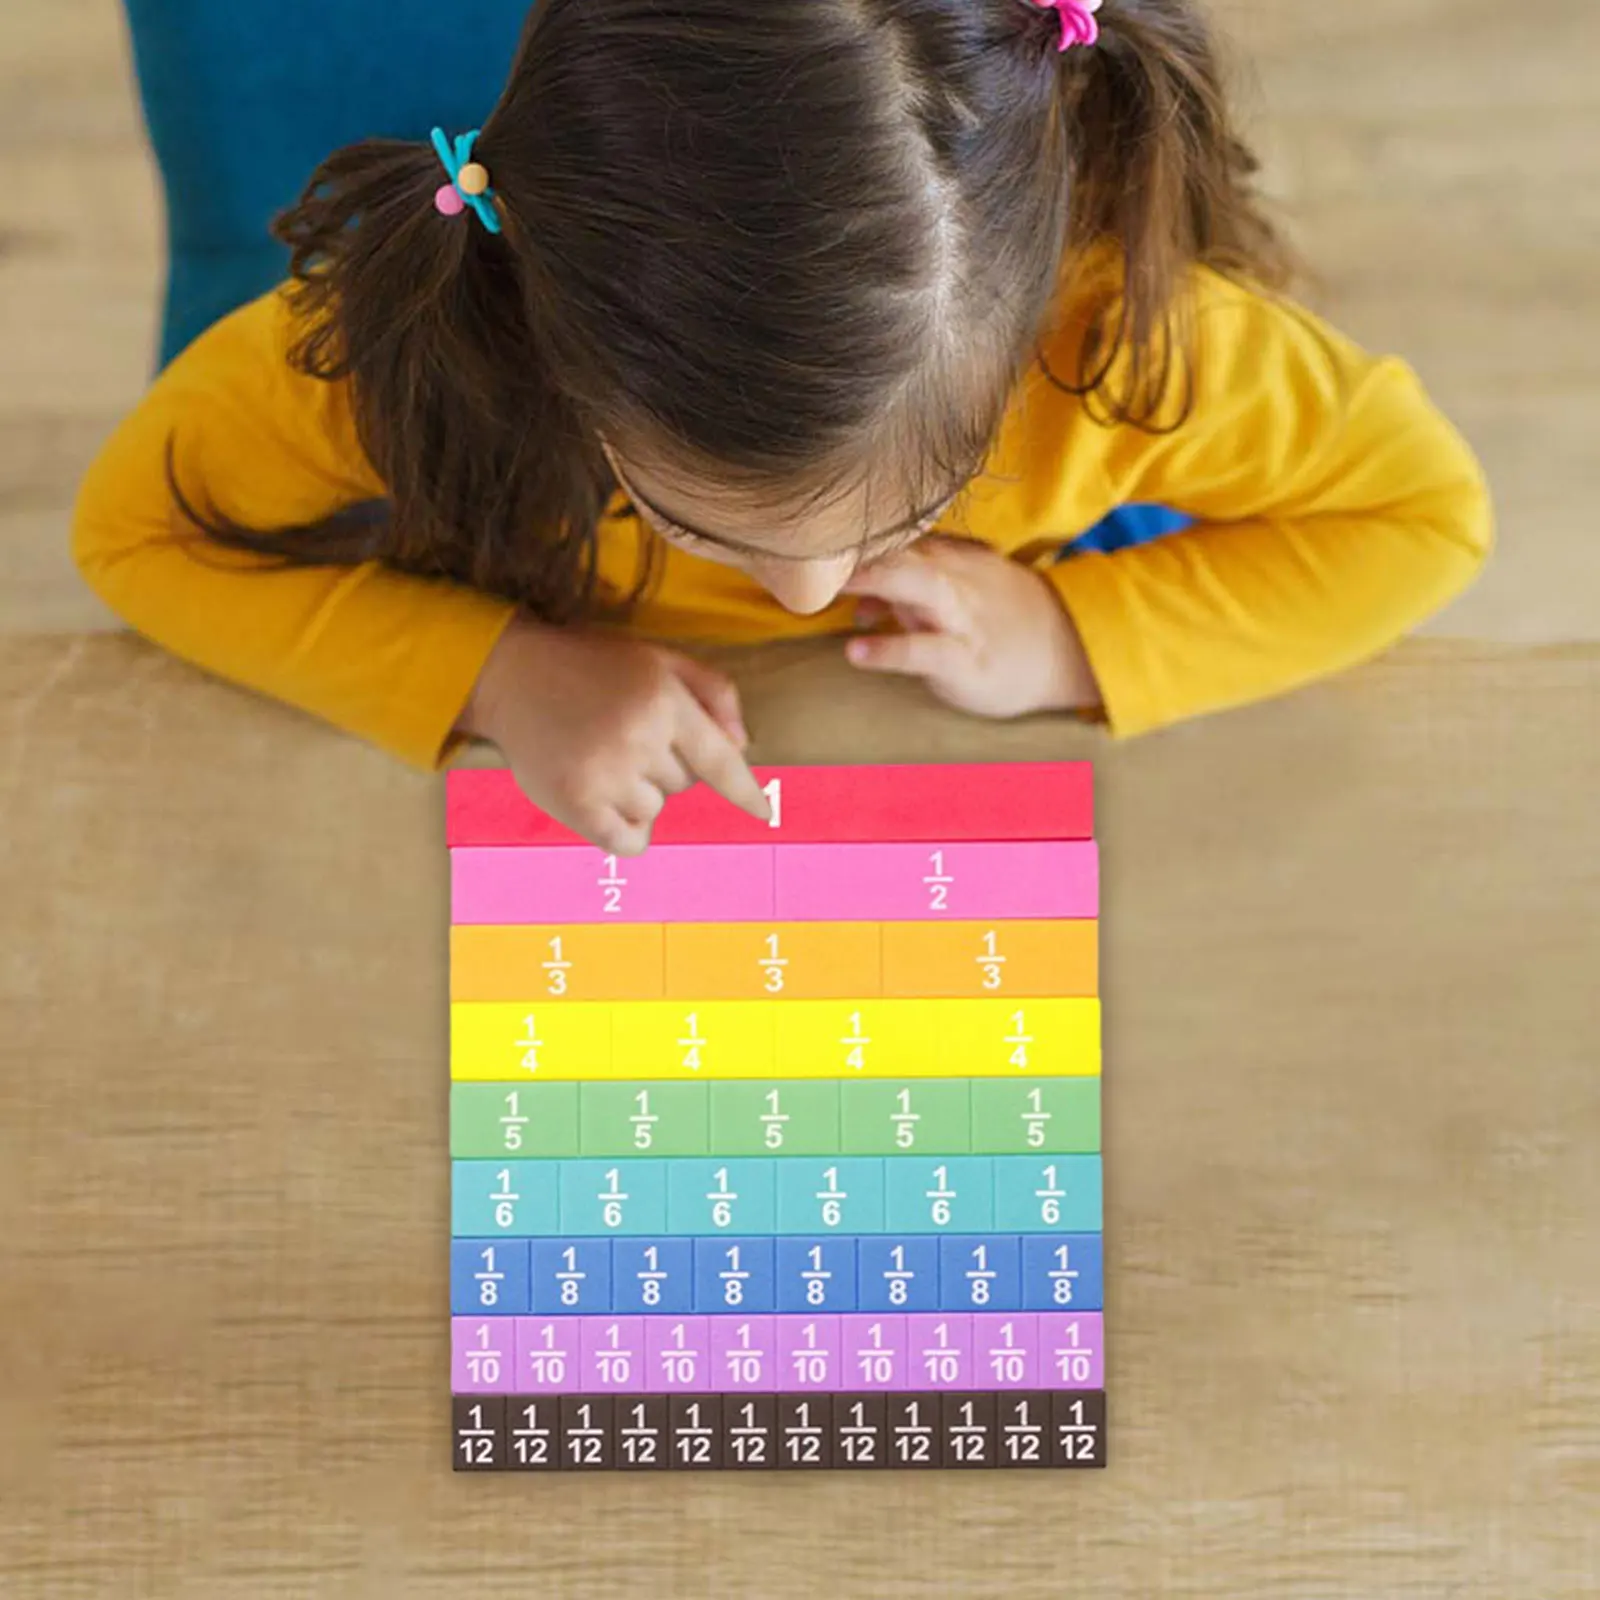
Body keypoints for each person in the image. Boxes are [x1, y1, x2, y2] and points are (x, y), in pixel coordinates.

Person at [73, 0, 1492, 853]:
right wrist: (503, 674)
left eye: (925, 499)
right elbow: (130, 533)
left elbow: (1425, 516)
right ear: (558, 356)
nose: (811, 593)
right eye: (694, 517)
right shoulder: (406, 354)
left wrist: (1073, 638)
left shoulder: (1126, 340)